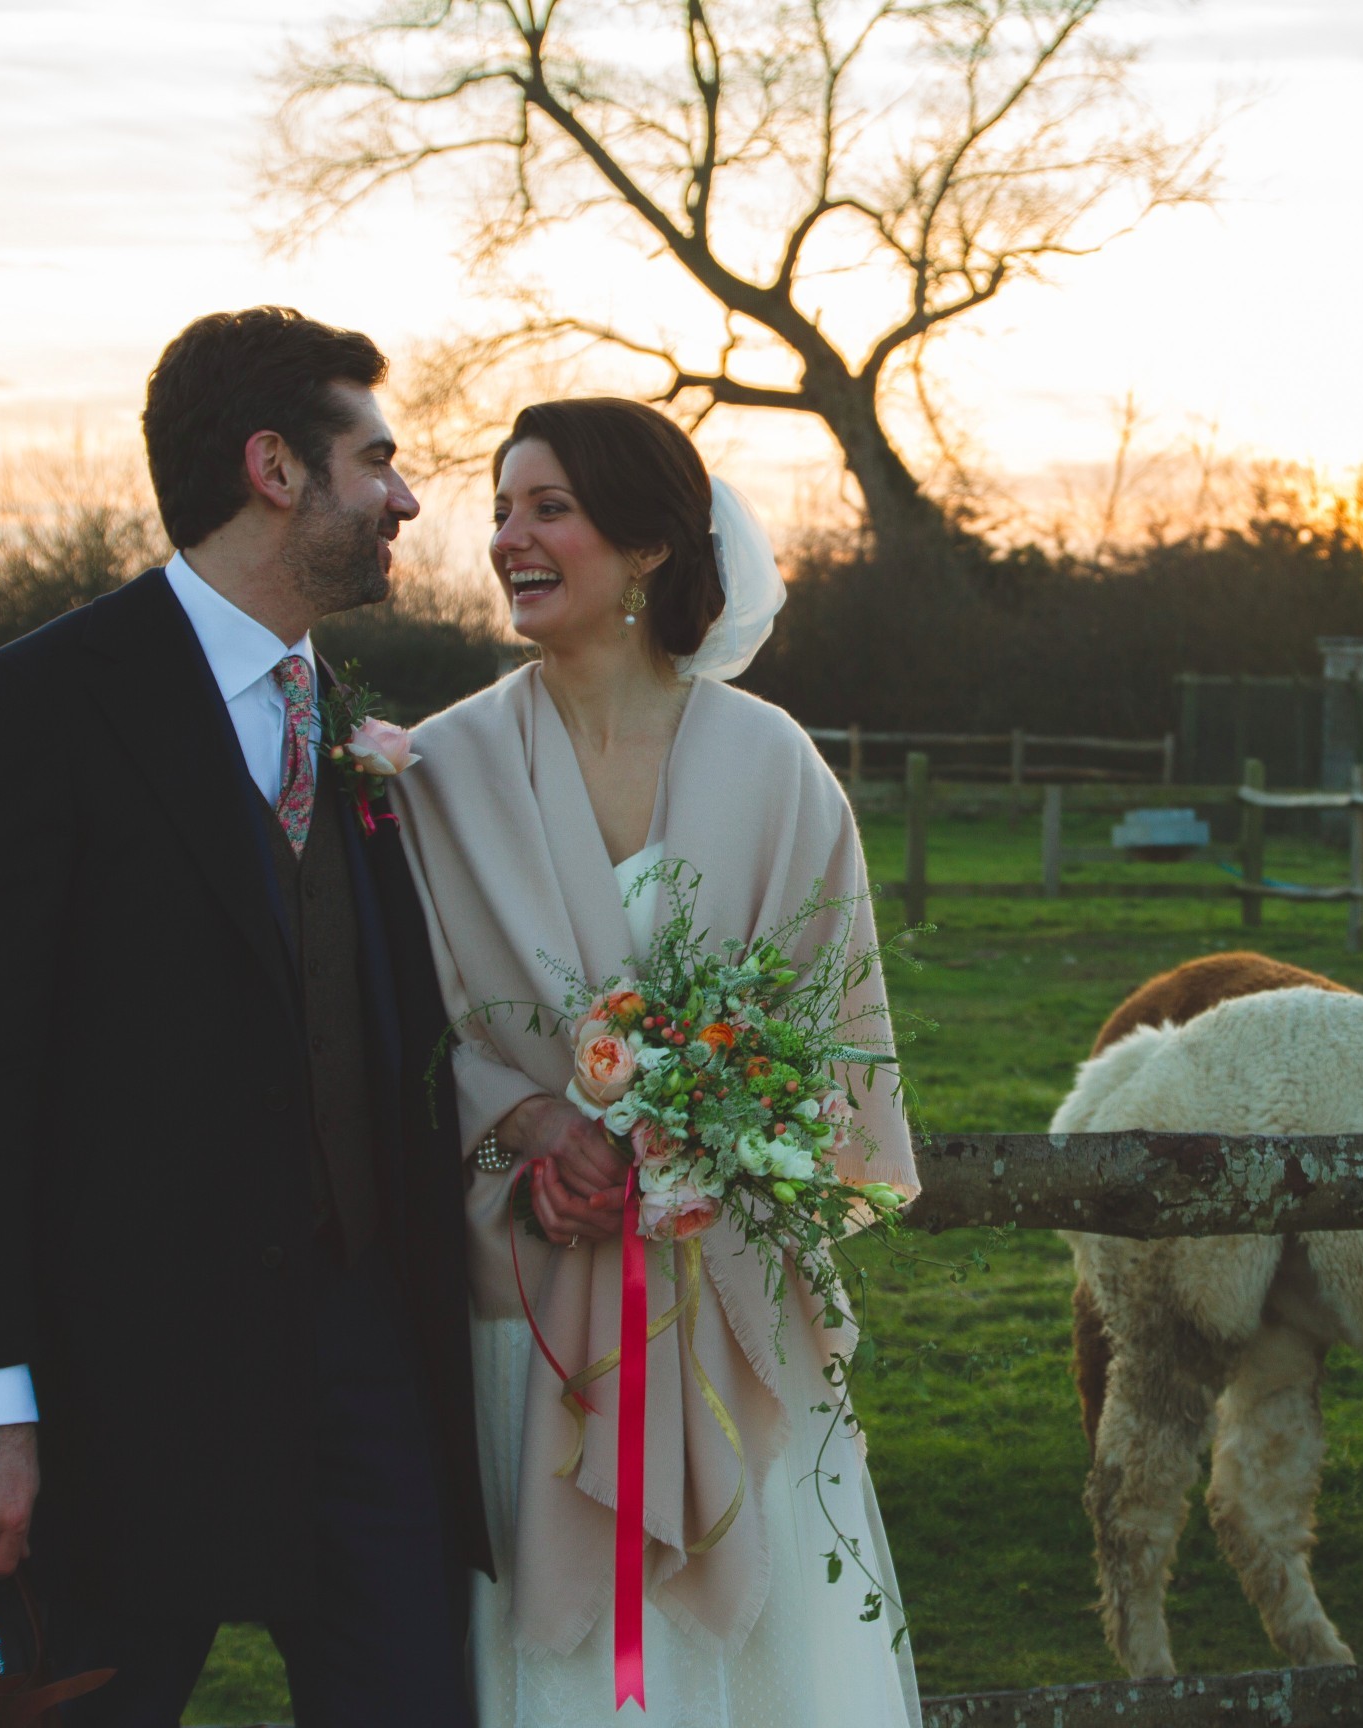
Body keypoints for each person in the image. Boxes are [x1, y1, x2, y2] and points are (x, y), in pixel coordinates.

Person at [0, 307, 491, 1726]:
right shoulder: (35, 705)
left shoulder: (329, 711)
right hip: (120, 1387)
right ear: (274, 467)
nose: (405, 498)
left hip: (360, 1363)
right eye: (378, 462)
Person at [390, 398, 922, 1727]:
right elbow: (408, 1028)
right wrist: (525, 1126)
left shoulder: (778, 769)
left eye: (548, 508)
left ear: (643, 548)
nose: (509, 536)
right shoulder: (437, 773)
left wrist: (711, 1151)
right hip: (528, 1305)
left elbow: (834, 1034)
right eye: (502, 508)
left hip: (731, 1314)